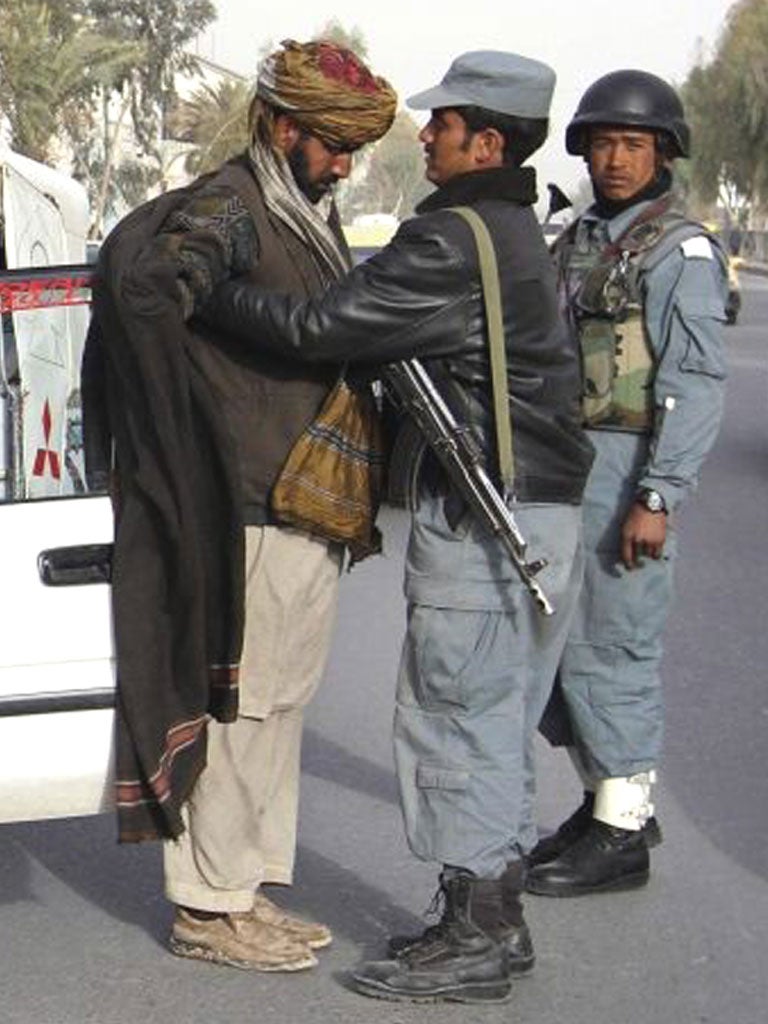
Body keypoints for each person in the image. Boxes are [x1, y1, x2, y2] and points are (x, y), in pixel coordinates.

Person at [203, 50, 594, 1002]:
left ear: (487, 140)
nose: (427, 135)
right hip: (537, 513)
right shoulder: (505, 227)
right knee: (489, 726)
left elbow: (318, 329)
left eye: (444, 123)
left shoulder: (451, 237)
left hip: (489, 524)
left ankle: (477, 937)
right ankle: (489, 922)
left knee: (456, 725)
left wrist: (205, 291)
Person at [82, 39, 396, 972]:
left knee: (278, 707)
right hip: (252, 504)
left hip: (302, 507)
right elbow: (152, 292)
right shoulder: (235, 205)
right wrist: (181, 439)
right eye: (334, 145)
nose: (344, 164)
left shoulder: (297, 210)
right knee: (243, 707)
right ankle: (207, 908)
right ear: (285, 127)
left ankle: (242, 891)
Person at [526, 70, 728, 897]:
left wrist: (659, 495)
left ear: (664, 152)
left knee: (616, 648)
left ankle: (623, 832)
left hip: (627, 468)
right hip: (569, 462)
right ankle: (605, 799)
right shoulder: (577, 237)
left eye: (633, 144)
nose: (615, 158)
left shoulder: (680, 252)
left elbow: (696, 380)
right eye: (603, 142)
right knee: (563, 648)